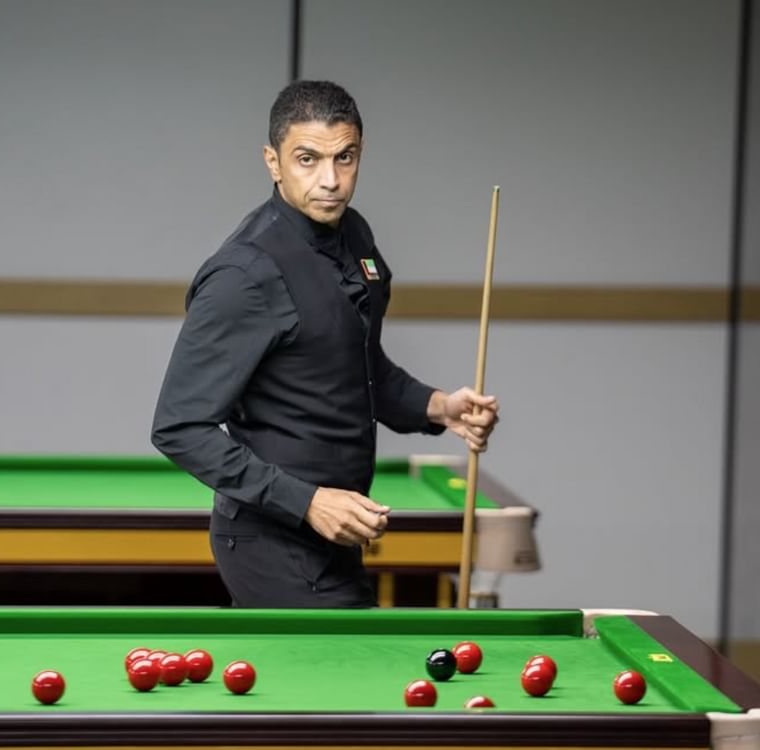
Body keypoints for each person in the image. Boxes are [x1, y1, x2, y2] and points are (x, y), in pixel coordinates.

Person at [151, 80, 499, 608]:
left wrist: (437, 407)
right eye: (307, 159)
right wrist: (309, 502)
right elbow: (178, 427)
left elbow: (357, 367)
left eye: (345, 158)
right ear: (273, 162)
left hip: (339, 533)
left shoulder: (354, 235)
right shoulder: (244, 274)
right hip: (273, 541)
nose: (330, 180)